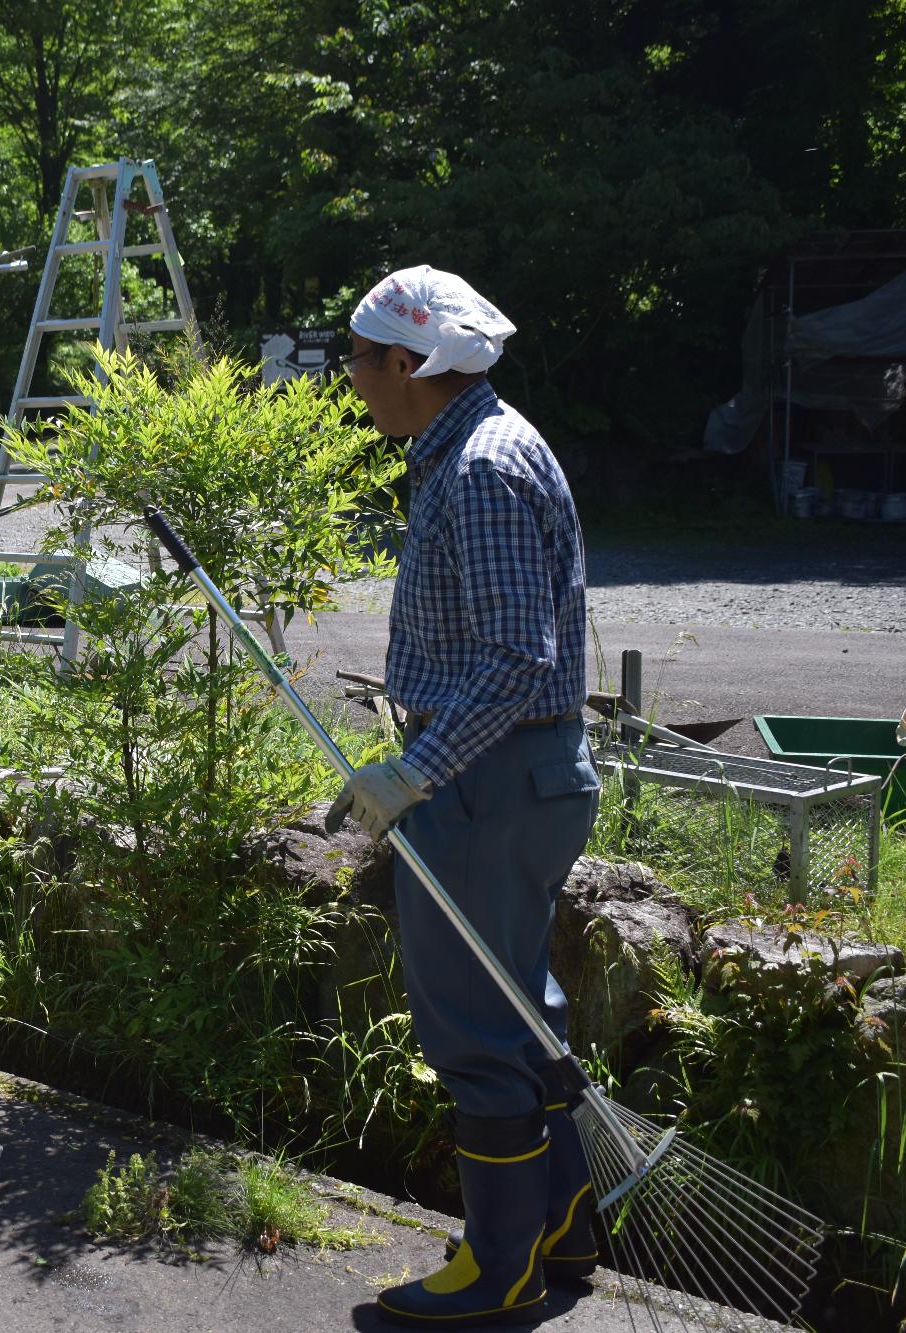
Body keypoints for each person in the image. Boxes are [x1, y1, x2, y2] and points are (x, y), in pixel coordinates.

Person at [327, 266, 597, 1327]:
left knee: (472, 1028)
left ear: (408, 363)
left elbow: (511, 664)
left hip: (485, 778)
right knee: (521, 1011)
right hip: (509, 774)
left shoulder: (479, 467)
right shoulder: (478, 443)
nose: (350, 377)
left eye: (357, 357)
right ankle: (560, 1225)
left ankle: (498, 1270)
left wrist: (414, 772)